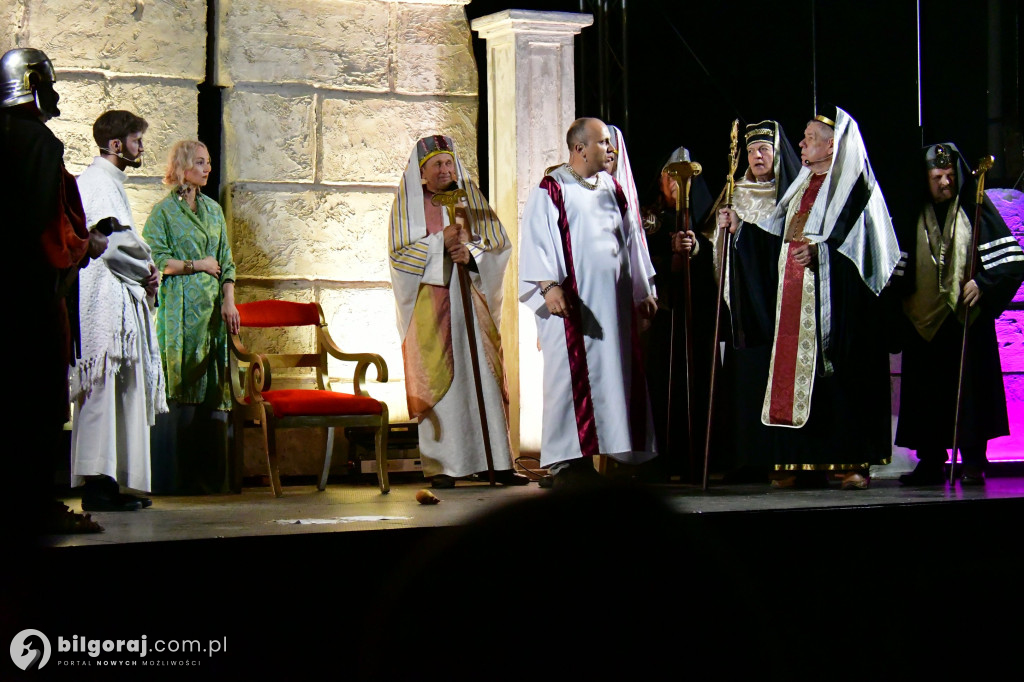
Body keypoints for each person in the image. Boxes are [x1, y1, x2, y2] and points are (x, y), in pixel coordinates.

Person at [722, 106, 901, 489]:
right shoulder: (803, 183)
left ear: (832, 146)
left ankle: (848, 462)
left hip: (842, 307)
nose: (800, 143)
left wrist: (822, 255)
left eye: (809, 138)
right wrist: (740, 228)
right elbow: (777, 234)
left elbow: (870, 253)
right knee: (799, 378)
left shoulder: (855, 186)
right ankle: (797, 462)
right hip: (794, 302)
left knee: (840, 381)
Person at [519, 117, 658, 488]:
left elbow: (631, 242)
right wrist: (548, 287)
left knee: (616, 374)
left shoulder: (613, 187)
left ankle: (619, 451)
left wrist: (644, 293)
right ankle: (567, 461)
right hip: (572, 307)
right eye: (603, 142)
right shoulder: (552, 189)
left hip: (613, 306)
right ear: (579, 148)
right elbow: (535, 240)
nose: (611, 149)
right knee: (570, 380)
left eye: (610, 143)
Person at [2, 48, 106, 535]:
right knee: (39, 403)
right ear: (31, 83)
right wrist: (88, 245)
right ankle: (35, 508)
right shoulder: (38, 142)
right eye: (49, 82)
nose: (56, 93)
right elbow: (47, 229)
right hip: (32, 297)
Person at [388, 135, 528, 488]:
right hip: (431, 310)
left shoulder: (470, 196)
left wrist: (473, 256)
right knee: (443, 385)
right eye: (437, 164)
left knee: (484, 378)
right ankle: (445, 466)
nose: (445, 169)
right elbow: (399, 254)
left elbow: (499, 243)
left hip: (472, 309)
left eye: (449, 162)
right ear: (422, 171)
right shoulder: (409, 205)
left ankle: (496, 462)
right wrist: (439, 245)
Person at [893, 143, 1024, 485]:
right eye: (938, 176)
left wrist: (982, 282)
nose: (946, 183)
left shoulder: (975, 209)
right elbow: (892, 264)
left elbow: (1011, 261)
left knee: (969, 393)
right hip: (922, 320)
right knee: (927, 393)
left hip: (965, 318)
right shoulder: (911, 213)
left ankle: (973, 461)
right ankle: (931, 460)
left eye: (951, 175)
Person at [70, 110, 168, 511]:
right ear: (115, 145)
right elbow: (112, 243)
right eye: (136, 140)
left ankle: (114, 481)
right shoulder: (97, 182)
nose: (141, 147)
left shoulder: (109, 182)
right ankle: (97, 487)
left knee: (119, 390)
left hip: (117, 299)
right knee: (104, 389)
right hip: (104, 303)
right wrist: (147, 268)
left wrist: (145, 270)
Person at [143, 140, 239, 494]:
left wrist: (229, 301)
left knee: (211, 389)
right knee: (179, 388)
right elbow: (154, 259)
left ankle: (208, 481)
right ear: (183, 167)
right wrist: (196, 265)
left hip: (211, 315)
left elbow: (226, 261)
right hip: (179, 313)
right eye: (200, 162)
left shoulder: (213, 211)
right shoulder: (163, 214)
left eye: (209, 162)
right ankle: (172, 480)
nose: (207, 168)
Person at [715, 120, 801, 480]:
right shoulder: (736, 193)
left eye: (764, 149)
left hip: (778, 305)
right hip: (743, 309)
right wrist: (723, 234)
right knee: (743, 384)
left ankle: (778, 458)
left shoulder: (789, 198)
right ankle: (744, 460)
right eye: (751, 150)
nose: (756, 156)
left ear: (777, 154)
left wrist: (743, 231)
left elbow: (783, 245)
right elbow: (718, 252)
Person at [638, 146, 715, 482]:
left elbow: (714, 254)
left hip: (693, 316)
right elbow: (638, 257)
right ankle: (659, 459)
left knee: (694, 382)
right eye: (670, 175)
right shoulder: (649, 217)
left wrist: (695, 247)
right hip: (661, 315)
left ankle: (696, 459)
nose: (675, 183)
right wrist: (667, 255)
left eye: (683, 177)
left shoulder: (704, 217)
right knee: (659, 383)